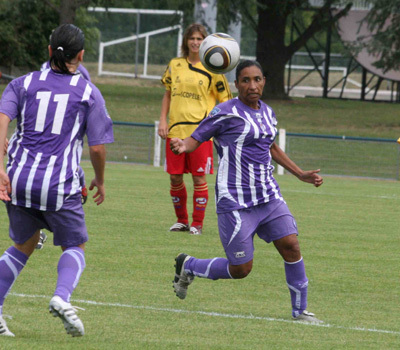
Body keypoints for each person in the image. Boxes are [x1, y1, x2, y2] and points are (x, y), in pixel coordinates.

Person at [170, 60, 324, 323]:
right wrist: (183, 145)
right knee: (241, 269)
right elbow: (197, 136)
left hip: (268, 196)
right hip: (235, 202)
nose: (252, 85)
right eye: (245, 80)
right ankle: (189, 266)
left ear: (264, 81)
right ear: (236, 84)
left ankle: (300, 312)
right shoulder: (225, 112)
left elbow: (271, 146)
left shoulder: (268, 113)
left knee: (291, 245)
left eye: (257, 79)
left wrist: (299, 174)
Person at [0, 23, 114, 337]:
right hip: (59, 184)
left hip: (19, 179)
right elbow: (98, 147)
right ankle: (61, 298)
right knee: (75, 244)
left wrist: (0, 167)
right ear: (81, 55)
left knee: (22, 246)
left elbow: (3, 121)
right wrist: (100, 180)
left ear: (49, 51)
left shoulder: (23, 83)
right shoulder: (88, 92)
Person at [158, 23, 232, 235]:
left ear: (205, 42)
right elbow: (168, 94)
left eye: (200, 39)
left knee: (199, 178)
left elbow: (225, 101)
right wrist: (163, 120)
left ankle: (197, 224)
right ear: (186, 41)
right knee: (175, 177)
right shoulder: (175, 64)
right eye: (192, 38)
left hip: (200, 136)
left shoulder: (214, 70)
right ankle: (182, 220)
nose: (195, 42)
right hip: (175, 132)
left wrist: (212, 124)